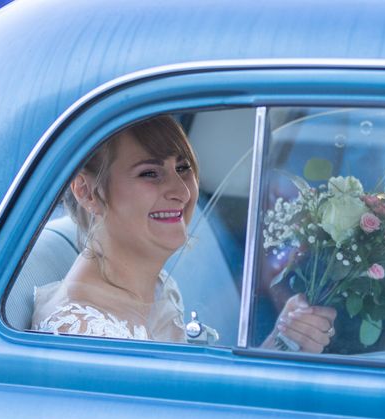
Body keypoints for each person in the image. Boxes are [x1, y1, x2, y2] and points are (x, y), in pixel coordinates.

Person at [31, 115, 335, 352]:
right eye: (150, 173)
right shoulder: (81, 331)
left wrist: (285, 340)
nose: (181, 191)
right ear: (87, 192)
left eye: (183, 167)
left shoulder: (159, 286)